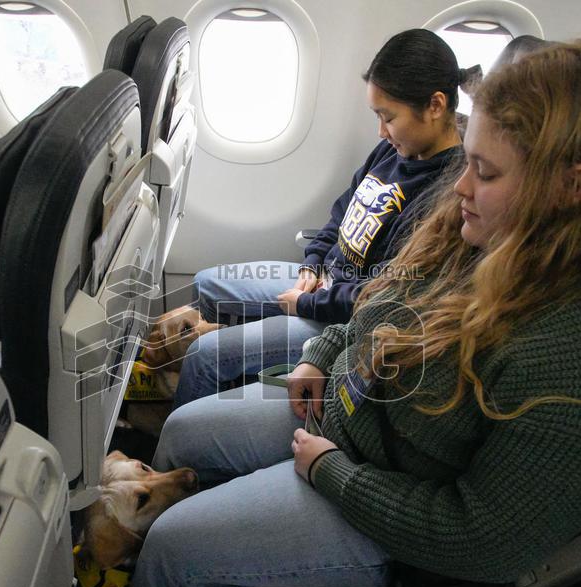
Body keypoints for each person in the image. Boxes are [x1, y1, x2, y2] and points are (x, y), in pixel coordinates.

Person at [121, 40, 581, 587]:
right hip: (338, 407)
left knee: (174, 547)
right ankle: (214, 559)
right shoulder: (476, 233)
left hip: (385, 511)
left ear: (571, 186)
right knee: (184, 433)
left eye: (486, 172)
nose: (460, 186)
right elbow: (379, 306)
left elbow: (484, 540)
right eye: (467, 162)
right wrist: (319, 357)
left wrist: (331, 472)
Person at [172, 29, 471, 407]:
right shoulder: (393, 151)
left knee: (204, 357)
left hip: (340, 319)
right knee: (206, 285)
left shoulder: (445, 193)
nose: (381, 131)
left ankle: (184, 435)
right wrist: (312, 263)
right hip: (321, 283)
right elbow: (343, 211)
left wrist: (305, 304)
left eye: (388, 117)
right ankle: (219, 396)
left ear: (435, 106)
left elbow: (383, 293)